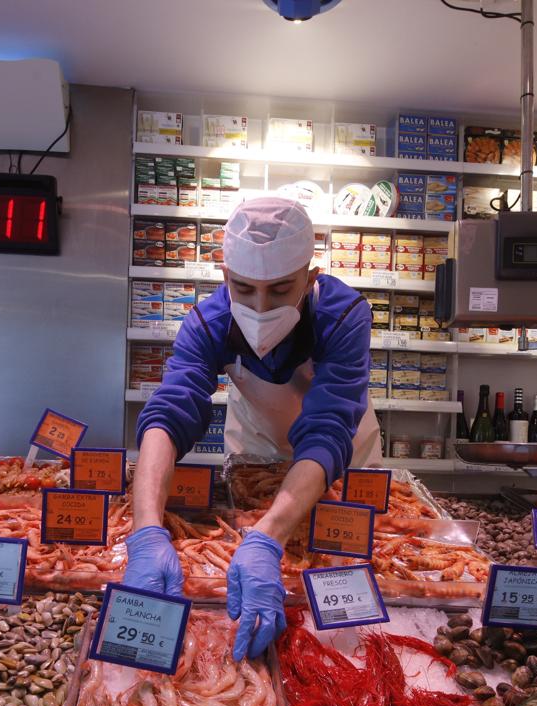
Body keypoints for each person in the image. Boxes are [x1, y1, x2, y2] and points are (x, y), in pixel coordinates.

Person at [125, 197, 380, 660]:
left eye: (281, 290)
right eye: (244, 289)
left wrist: (267, 538)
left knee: (344, 561)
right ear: (225, 278)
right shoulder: (207, 321)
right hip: (257, 442)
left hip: (340, 451)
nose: (261, 307)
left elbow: (326, 427)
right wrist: (146, 530)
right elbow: (170, 412)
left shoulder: (344, 314)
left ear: (310, 278)